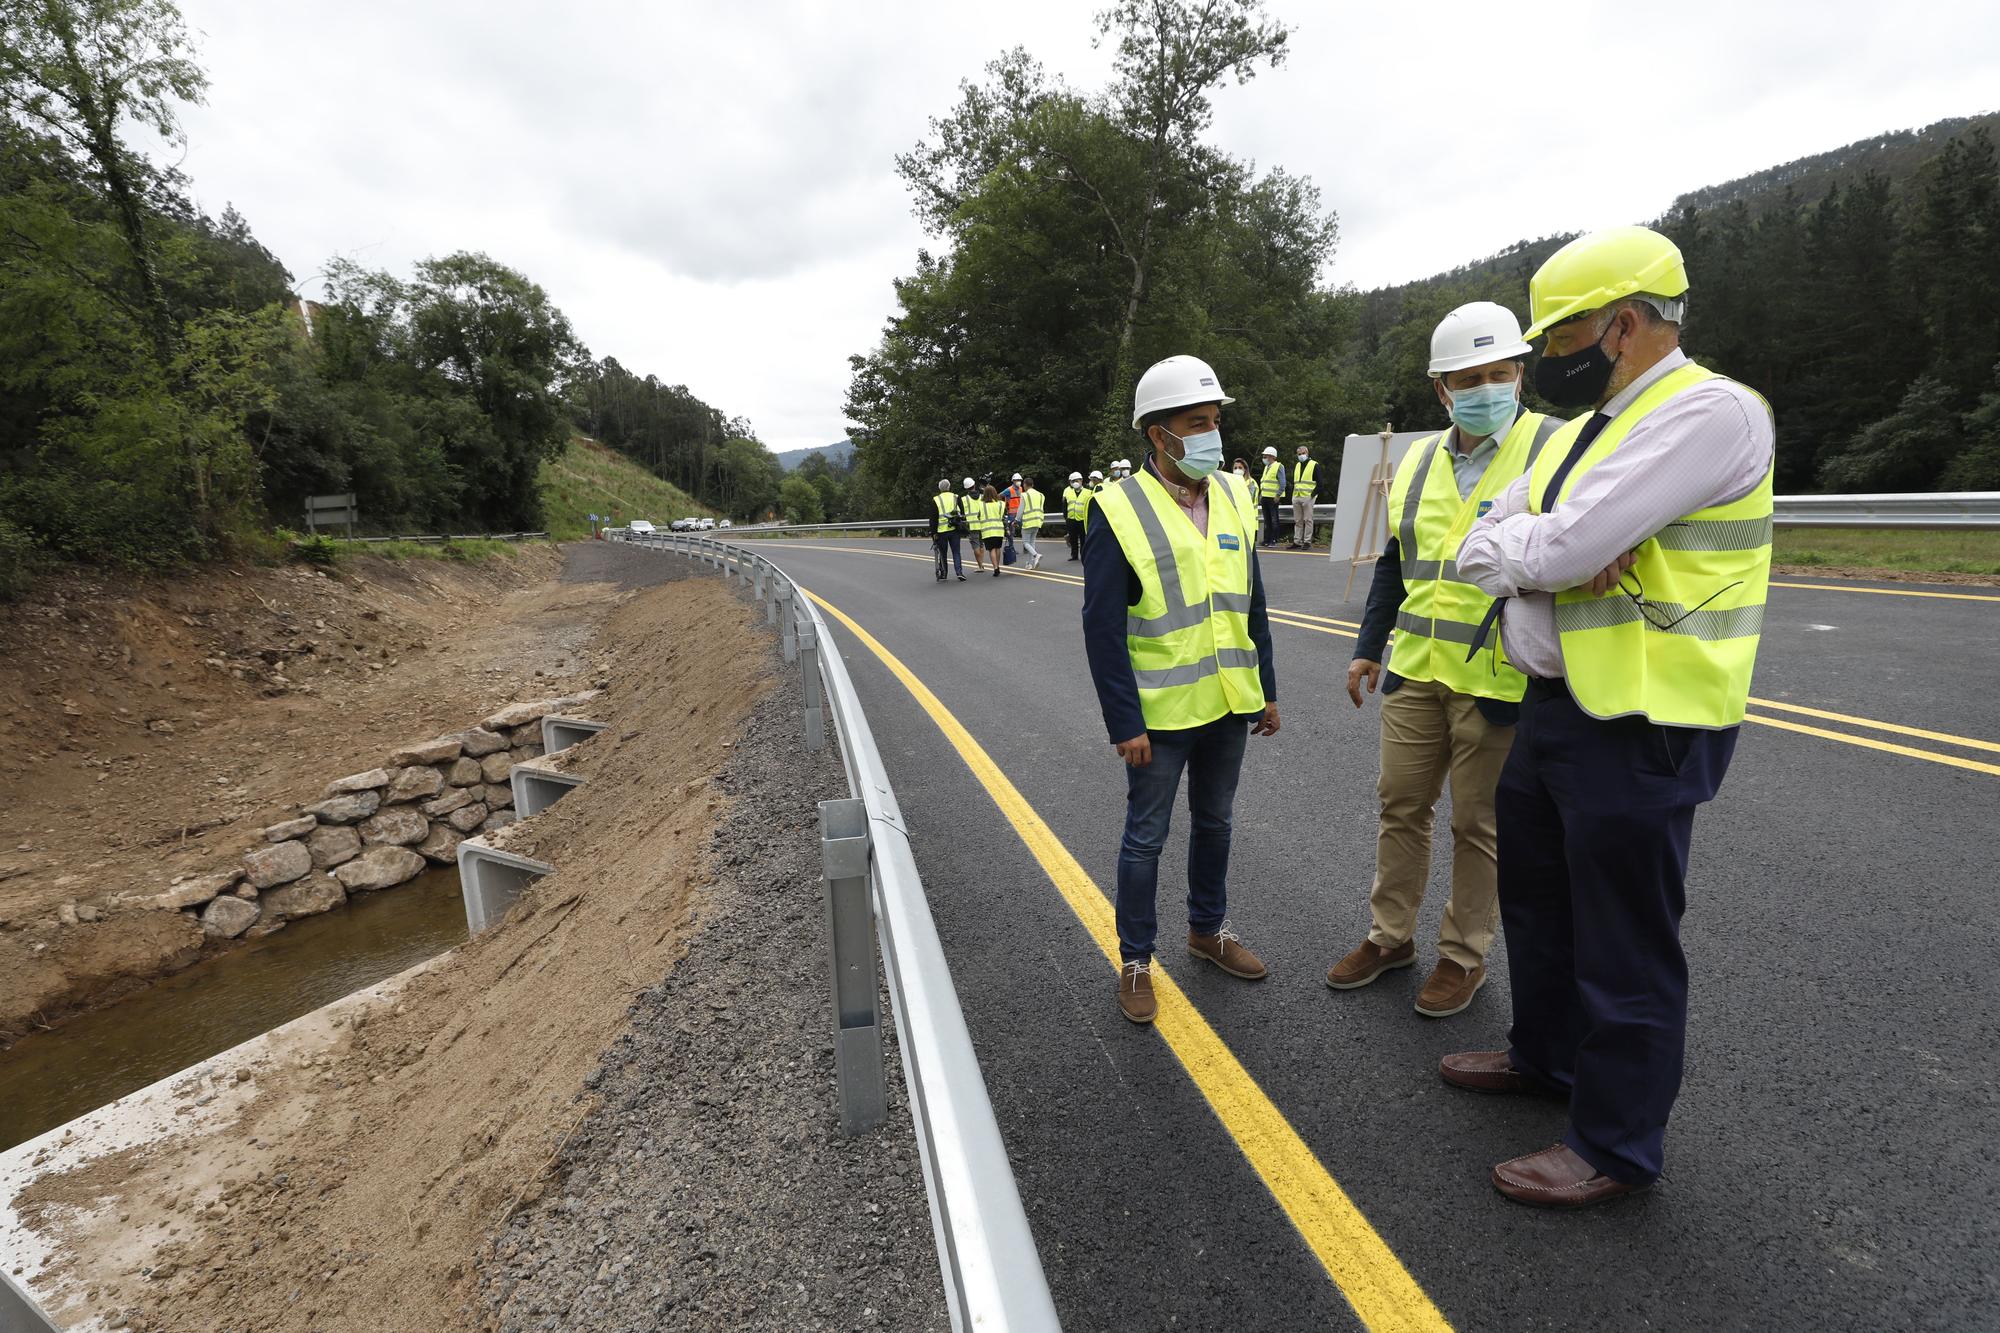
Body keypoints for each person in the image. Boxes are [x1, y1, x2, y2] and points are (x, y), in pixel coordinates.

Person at [1449, 226, 1775, 1208]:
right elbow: (1482, 544)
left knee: (1624, 937)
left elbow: (1549, 552)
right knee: (1537, 906)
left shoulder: (1706, 413)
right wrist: (1533, 542)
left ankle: (1613, 1143)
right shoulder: (1584, 431)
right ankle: (1542, 1058)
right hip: (1554, 705)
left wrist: (1537, 546)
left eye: (1556, 338)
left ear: (1622, 325)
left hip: (1642, 715)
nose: (1544, 360)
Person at [1327, 302, 1563, 1019]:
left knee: (1478, 825)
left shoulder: (1552, 448)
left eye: (1500, 373)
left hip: (1499, 679)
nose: (1487, 388)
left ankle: (1463, 955)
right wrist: (1369, 647)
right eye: (1470, 378)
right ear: (1442, 389)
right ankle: (1390, 936)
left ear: (1520, 376)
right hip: (1415, 669)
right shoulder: (1422, 459)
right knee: (1400, 806)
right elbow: (1398, 561)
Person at [1083, 354, 1280, 1026]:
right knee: (1146, 837)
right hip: (1160, 714)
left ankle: (1207, 931)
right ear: (1157, 434)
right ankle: (1136, 960)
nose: (1211, 436)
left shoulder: (1232, 492)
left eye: (1215, 422)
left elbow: (1251, 601)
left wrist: (1267, 688)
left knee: (1217, 823)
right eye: (1196, 423)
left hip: (1228, 700)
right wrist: (1123, 721)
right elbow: (1103, 628)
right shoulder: (1117, 508)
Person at [930, 476, 967, 582]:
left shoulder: (936, 500)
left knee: (943, 553)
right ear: (949, 487)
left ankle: (944, 573)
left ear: (940, 489)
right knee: (956, 552)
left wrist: (933, 533)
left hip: (942, 531)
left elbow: (933, 518)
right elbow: (963, 513)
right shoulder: (956, 497)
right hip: (955, 529)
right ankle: (959, 572)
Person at [1289, 445, 1320, 549]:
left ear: (1307, 453)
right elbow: (1296, 482)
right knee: (1298, 520)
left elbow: (1320, 483)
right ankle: (1297, 541)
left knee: (1308, 520)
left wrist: (1312, 495)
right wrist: (1293, 496)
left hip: (1308, 497)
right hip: (1297, 496)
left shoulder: (1314, 465)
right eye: (1299, 454)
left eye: (1303, 453)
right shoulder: (1297, 465)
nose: (1301, 455)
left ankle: (1307, 542)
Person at [1256, 445, 1285, 546]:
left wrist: (1278, 495)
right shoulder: (1266, 467)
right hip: (1265, 497)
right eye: (1264, 456)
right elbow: (1264, 483)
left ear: (1272, 456)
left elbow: (1283, 483)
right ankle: (1267, 539)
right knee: (1267, 520)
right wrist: (1261, 495)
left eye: (1266, 456)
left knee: (1273, 519)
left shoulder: (1278, 466)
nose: (1264, 458)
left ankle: (1273, 540)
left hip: (1273, 498)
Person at [977, 482, 1006, 577]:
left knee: (991, 549)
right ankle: (998, 566)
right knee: (998, 548)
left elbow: (979, 516)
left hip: (987, 531)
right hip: (999, 529)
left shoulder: (981, 505)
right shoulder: (1001, 504)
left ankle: (995, 568)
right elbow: (1002, 516)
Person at [1017, 473, 1046, 570]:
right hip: (1038, 521)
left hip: (1028, 522)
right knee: (1032, 542)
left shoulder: (1024, 495)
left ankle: (1036, 555)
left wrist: (1017, 520)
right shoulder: (1041, 495)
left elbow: (1021, 509)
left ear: (1024, 485)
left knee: (1025, 542)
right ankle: (1030, 564)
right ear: (1033, 485)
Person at [1063, 471, 1090, 561]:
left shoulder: (1088, 492)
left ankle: (1084, 555)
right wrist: (1066, 518)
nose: (1075, 482)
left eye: (1077, 480)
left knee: (1083, 539)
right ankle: (1074, 555)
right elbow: (1065, 506)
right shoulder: (1068, 493)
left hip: (1083, 519)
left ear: (1081, 480)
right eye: (1073, 481)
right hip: (1071, 519)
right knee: (1073, 539)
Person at [962, 477, 987, 573]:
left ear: (966, 488)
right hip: (982, 524)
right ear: (974, 485)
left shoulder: (965, 499)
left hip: (972, 526)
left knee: (975, 546)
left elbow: (962, 512)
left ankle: (980, 566)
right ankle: (981, 564)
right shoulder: (982, 497)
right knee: (981, 545)